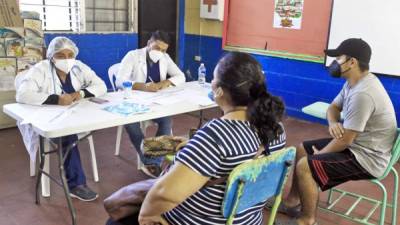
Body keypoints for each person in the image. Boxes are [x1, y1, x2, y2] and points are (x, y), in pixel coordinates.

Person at [106, 52, 287, 225]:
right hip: (246, 219)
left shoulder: (216, 135)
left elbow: (164, 194)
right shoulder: (275, 127)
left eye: (213, 79)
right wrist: (195, 149)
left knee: (116, 219)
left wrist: (147, 215)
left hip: (200, 220)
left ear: (219, 91)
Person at [275, 38, 397, 225]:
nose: (334, 63)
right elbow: (333, 107)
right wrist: (332, 123)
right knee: (301, 149)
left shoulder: (363, 94)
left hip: (367, 158)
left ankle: (307, 220)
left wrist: (320, 156)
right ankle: (293, 201)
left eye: (339, 58)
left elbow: (345, 140)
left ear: (352, 62)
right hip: (356, 145)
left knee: (305, 165)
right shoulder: (353, 82)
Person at [16, 36, 107, 201]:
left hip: (76, 115)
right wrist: (56, 99)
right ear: (51, 56)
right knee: (67, 134)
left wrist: (80, 93)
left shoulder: (78, 67)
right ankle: (76, 184)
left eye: (70, 55)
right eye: (61, 56)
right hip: (48, 118)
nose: (67, 60)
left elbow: (101, 85)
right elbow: (22, 95)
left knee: (75, 129)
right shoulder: (40, 69)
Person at [116, 30, 185, 177]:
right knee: (131, 123)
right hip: (133, 102)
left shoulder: (164, 58)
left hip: (155, 102)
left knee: (166, 120)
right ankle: (150, 162)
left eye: (163, 50)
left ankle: (153, 160)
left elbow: (180, 76)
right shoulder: (133, 56)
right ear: (148, 44)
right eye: (157, 48)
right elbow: (120, 80)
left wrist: (165, 83)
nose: (160, 52)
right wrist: (143, 86)